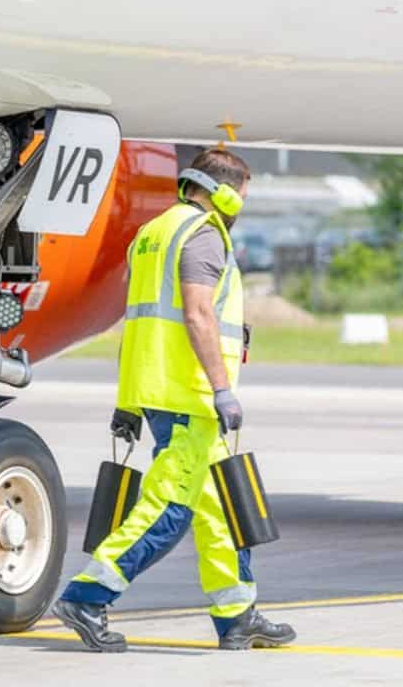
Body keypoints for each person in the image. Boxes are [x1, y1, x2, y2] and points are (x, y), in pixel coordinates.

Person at [52, 149, 296, 651]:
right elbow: (199, 315)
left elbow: (138, 322)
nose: (241, 206)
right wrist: (222, 387)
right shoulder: (203, 234)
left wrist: (128, 401)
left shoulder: (153, 234)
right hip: (189, 394)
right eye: (242, 195)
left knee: (221, 508)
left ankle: (236, 615)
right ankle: (88, 595)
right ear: (223, 191)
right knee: (169, 509)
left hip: (160, 389)